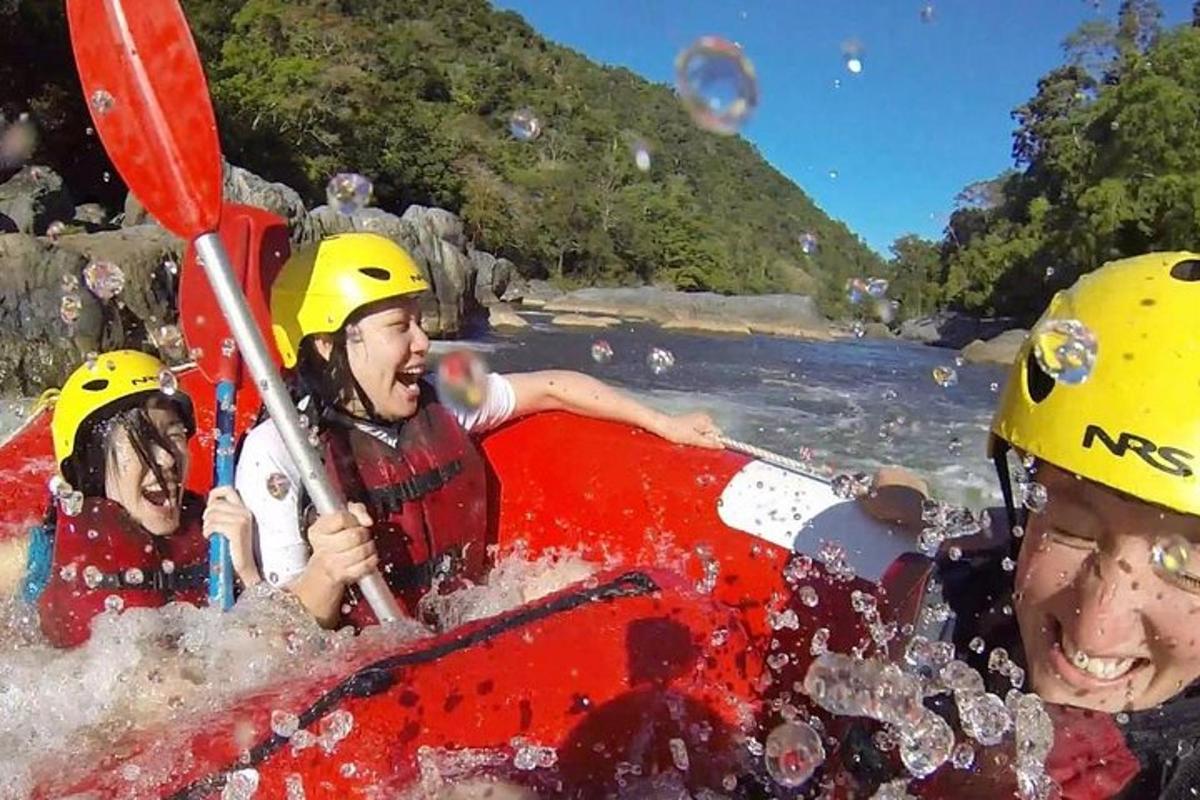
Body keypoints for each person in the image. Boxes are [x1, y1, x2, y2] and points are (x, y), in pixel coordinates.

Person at [772, 252, 1200, 799]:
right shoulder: (964, 588)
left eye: (1185, 567)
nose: (1096, 627)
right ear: (1026, 508)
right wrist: (924, 506)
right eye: (1072, 527)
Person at [235, 232, 724, 628]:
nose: (423, 341)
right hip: (367, 664)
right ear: (328, 344)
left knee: (583, 583)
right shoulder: (279, 450)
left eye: (419, 322)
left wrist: (664, 423)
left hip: (463, 621)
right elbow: (282, 633)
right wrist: (326, 571)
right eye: (399, 326)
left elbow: (552, 386)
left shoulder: (442, 401)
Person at [22, 350, 261, 647]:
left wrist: (247, 575)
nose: (166, 459)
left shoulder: (219, 530)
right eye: (142, 442)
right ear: (90, 466)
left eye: (173, 436)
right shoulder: (50, 556)